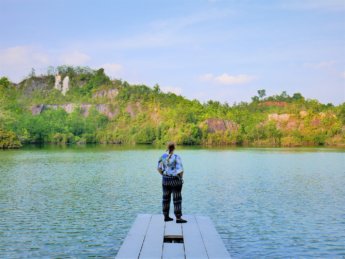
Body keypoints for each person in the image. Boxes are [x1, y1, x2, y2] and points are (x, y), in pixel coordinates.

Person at [157, 142, 187, 223]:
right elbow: (180, 170)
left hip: (165, 180)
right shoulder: (176, 157)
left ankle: (166, 216)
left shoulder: (162, 157)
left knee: (165, 198)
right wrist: (181, 178)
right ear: (174, 148)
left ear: (167, 147)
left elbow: (159, 169)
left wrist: (163, 175)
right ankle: (178, 218)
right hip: (175, 180)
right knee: (177, 198)